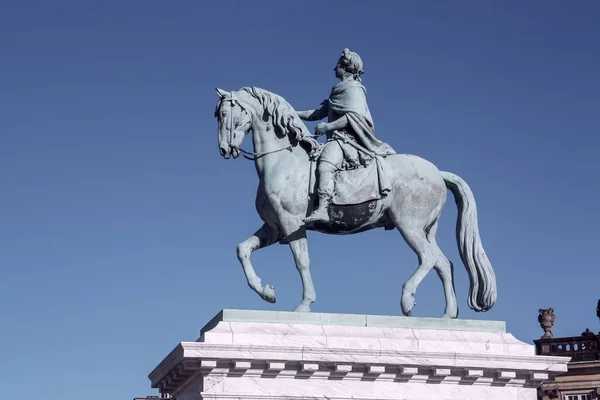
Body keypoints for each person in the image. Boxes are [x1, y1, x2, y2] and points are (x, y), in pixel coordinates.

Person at [297, 48, 395, 224]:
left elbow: (353, 117)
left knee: (326, 165)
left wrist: (328, 126)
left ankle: (323, 209)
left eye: (337, 65)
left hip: (347, 140)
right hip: (337, 138)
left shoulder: (354, 89)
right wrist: (292, 113)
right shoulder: (338, 90)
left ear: (346, 67)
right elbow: (316, 114)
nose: (334, 68)